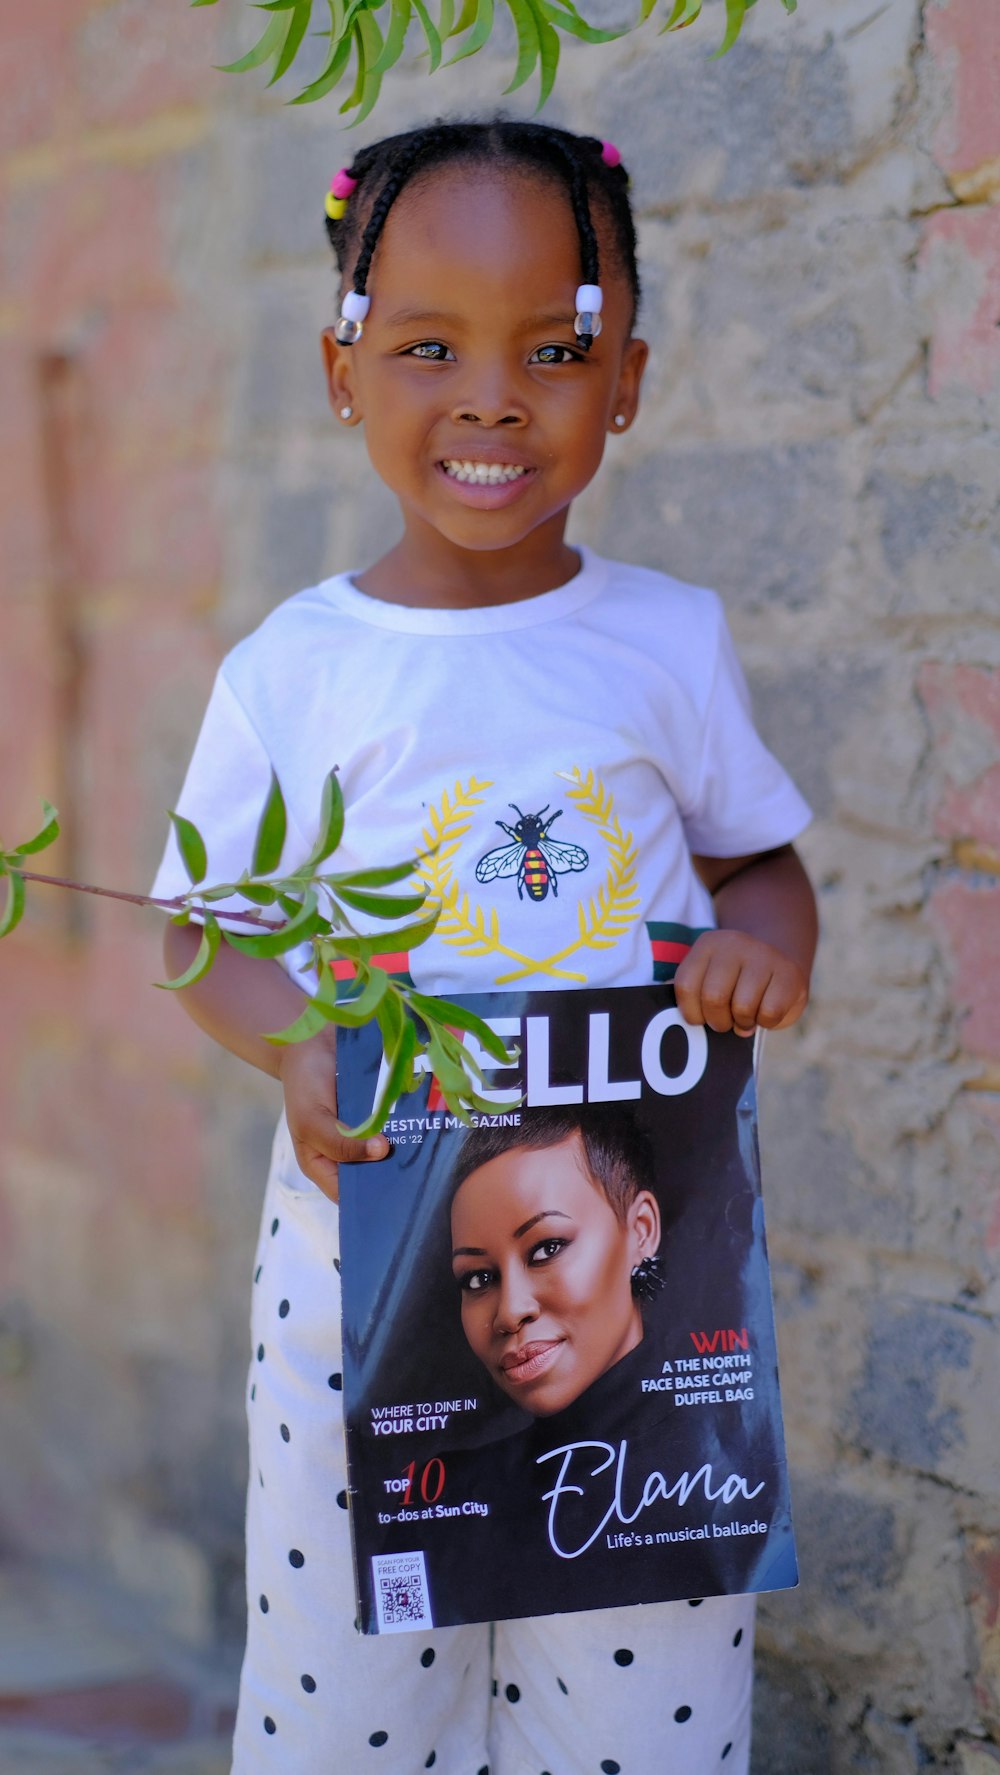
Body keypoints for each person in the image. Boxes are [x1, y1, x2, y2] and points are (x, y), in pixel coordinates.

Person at [153, 119, 818, 1775]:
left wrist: (758, 948)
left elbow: (761, 864)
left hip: (636, 1309)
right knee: (354, 1695)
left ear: (630, 377)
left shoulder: (666, 641)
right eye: (430, 346)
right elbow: (199, 935)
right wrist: (293, 1047)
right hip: (362, 1278)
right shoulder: (296, 671)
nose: (493, 396)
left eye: (555, 349)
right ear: (343, 365)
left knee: (635, 1692)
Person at [449, 1108, 662, 1417]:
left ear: (641, 1231)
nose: (510, 1313)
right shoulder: (445, 1467)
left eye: (547, 1249)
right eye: (478, 1278)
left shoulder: (735, 1440)